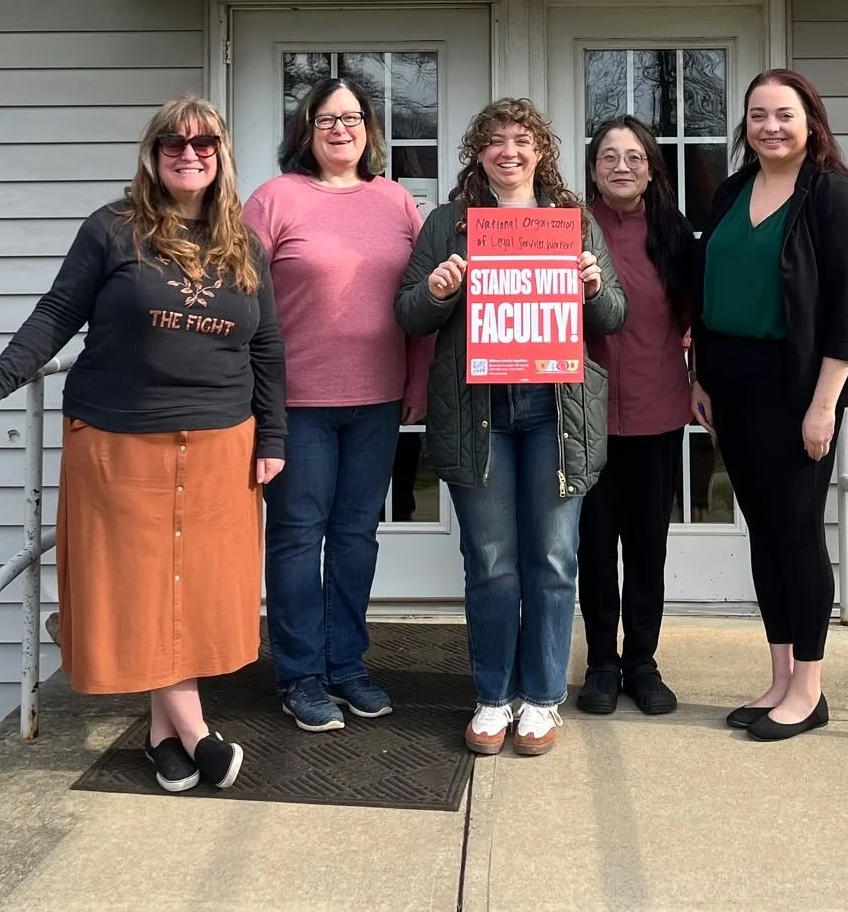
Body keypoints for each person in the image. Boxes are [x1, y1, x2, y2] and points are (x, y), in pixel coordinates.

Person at [0, 95, 285, 795]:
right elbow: (57, 314)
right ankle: (198, 732)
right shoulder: (112, 229)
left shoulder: (244, 243)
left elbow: (269, 347)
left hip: (221, 442)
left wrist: (273, 433)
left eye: (203, 143)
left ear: (220, 155)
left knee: (192, 591)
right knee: (141, 587)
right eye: (172, 143)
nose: (188, 154)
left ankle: (163, 737)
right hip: (120, 440)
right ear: (152, 155)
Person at [396, 98, 626, 757]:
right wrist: (438, 290)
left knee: (552, 559)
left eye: (522, 139)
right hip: (481, 413)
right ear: (479, 153)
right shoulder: (449, 224)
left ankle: (543, 698)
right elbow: (408, 313)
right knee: (492, 561)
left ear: (541, 151)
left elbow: (613, 315)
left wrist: (591, 287)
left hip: (556, 411)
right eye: (495, 140)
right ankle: (493, 697)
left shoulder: (573, 222)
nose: (510, 151)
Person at [691, 68, 848, 742]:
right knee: (764, 532)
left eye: (784, 114)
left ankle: (809, 689)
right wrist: (701, 376)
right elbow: (710, 288)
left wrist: (824, 405)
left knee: (797, 532)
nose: (770, 126)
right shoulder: (733, 190)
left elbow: (847, 312)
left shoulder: (833, 195)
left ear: (810, 122)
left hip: (799, 390)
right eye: (758, 115)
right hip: (733, 386)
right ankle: (779, 678)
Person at [243, 77, 424, 733]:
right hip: (298, 404)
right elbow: (241, 301)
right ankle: (301, 675)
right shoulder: (274, 200)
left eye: (352, 118)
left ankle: (347, 665)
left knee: (355, 537)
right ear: (306, 130)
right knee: (298, 537)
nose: (340, 129)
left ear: (369, 130)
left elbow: (424, 298)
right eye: (326, 119)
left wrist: (418, 382)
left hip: (378, 400)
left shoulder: (396, 202)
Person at [575, 115, 697, 717]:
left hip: (657, 410)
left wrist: (702, 382)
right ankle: (601, 662)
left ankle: (642, 662)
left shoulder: (675, 234)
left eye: (634, 157)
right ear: (593, 168)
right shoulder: (569, 228)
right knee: (594, 546)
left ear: (651, 168)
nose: (621, 167)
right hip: (584, 414)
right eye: (608, 157)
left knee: (648, 547)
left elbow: (697, 320)